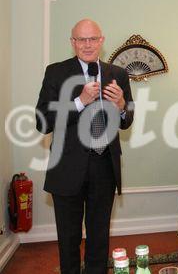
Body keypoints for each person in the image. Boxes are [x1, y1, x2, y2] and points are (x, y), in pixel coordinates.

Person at [35, 19, 134, 274]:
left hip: (105, 167)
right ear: (73, 43)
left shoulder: (118, 74)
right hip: (67, 167)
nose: (87, 44)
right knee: (68, 239)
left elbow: (127, 121)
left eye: (92, 39)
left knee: (99, 237)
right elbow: (42, 121)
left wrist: (122, 106)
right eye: (81, 39)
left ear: (101, 41)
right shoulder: (56, 72)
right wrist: (79, 101)